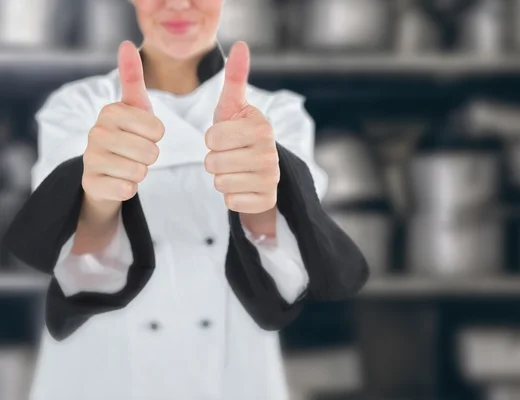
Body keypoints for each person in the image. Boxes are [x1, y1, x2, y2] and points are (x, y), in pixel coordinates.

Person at [2, 1, 369, 399]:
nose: (177, 2)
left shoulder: (278, 113)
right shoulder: (76, 107)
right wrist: (99, 197)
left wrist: (263, 207)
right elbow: (72, 262)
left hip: (233, 379)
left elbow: (289, 278)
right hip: (102, 375)